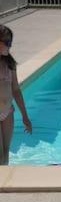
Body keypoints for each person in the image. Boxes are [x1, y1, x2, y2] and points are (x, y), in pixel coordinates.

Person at [0, 25, 32, 165]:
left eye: (10, 42)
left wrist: (25, 116)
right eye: (6, 42)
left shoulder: (10, 63)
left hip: (7, 112)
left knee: (6, 151)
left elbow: (16, 90)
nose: (9, 46)